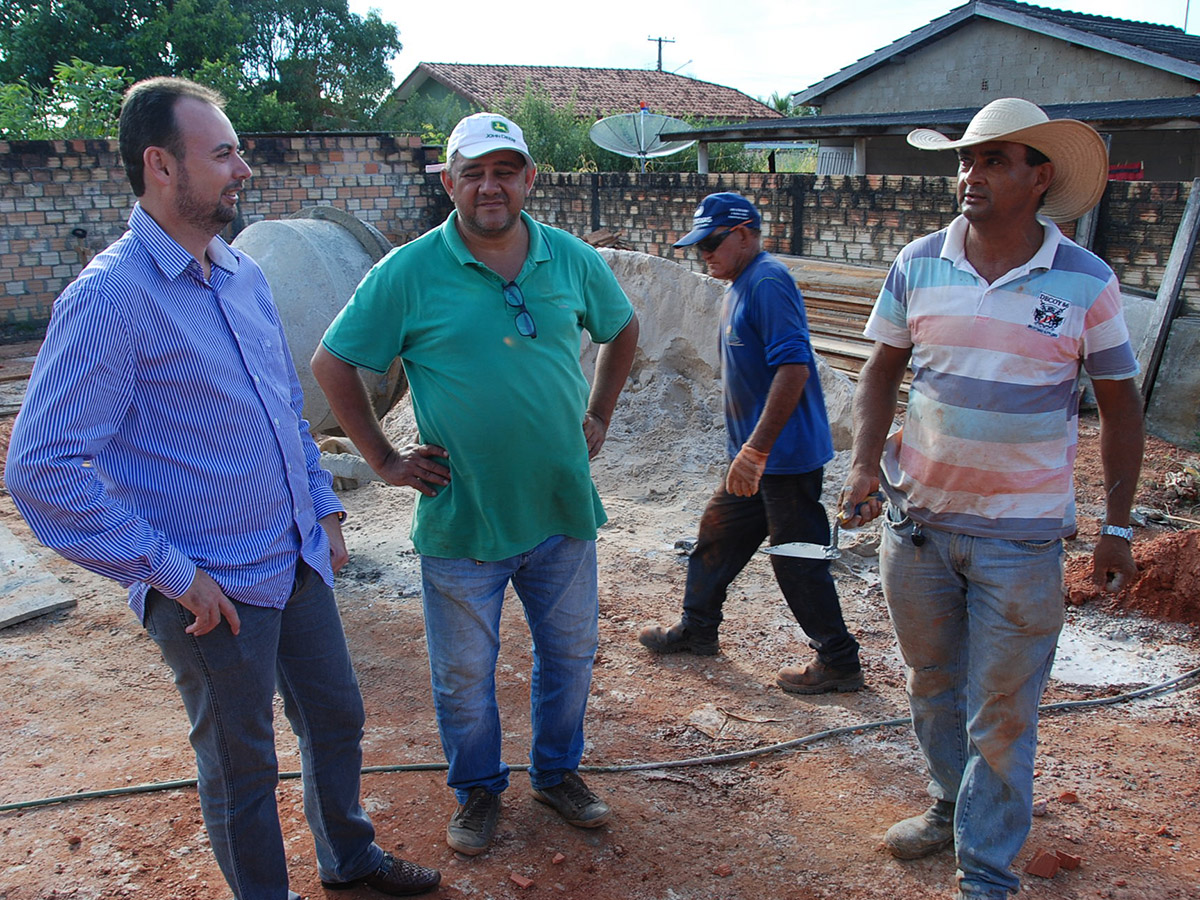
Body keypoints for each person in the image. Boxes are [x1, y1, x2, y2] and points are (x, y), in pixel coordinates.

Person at [4, 77, 440, 899]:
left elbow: (282, 409)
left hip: (294, 556)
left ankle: (347, 858)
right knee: (242, 765)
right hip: (211, 591)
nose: (244, 169)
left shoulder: (239, 274)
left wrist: (323, 508)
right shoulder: (108, 299)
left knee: (337, 719)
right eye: (225, 153)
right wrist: (170, 574)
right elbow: (39, 469)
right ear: (162, 165)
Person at [311, 112, 639, 857]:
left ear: (528, 178)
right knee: (463, 675)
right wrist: (387, 461)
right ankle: (479, 789)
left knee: (571, 655)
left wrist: (601, 414)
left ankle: (557, 775)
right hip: (463, 517)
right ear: (450, 182)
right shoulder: (408, 271)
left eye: (504, 170)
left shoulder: (571, 259)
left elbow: (622, 329)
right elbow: (333, 363)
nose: (489, 185)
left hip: (560, 509)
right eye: (473, 172)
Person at [840, 98, 1144, 900]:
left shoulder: (1087, 282)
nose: (971, 175)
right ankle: (950, 806)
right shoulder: (919, 263)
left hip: (1022, 539)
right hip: (919, 529)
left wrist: (1116, 526)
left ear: (1040, 177)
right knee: (932, 685)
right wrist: (865, 464)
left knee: (1002, 712)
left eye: (994, 160)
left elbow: (1120, 404)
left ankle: (987, 874)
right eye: (967, 160)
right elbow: (880, 372)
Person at [637, 192, 863, 694]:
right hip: (756, 461)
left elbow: (794, 368)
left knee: (796, 558)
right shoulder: (738, 284)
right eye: (699, 247)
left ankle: (840, 661)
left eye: (713, 243)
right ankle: (697, 630)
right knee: (717, 534)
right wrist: (749, 455)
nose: (705, 255)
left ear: (743, 233)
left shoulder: (767, 282)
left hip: (785, 458)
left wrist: (758, 450)